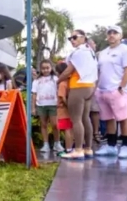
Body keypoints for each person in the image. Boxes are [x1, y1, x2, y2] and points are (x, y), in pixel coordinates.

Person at [94, 25, 127, 159]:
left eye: (115, 33)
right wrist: (97, 88)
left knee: (123, 118)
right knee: (108, 118)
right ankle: (111, 146)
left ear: (120, 36)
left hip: (118, 90)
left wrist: (121, 87)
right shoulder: (103, 52)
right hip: (103, 90)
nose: (112, 35)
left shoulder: (126, 50)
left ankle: (125, 146)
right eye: (109, 33)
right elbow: (100, 71)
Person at [57, 29, 97, 159]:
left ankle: (78, 150)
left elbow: (68, 71)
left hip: (78, 86)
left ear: (83, 37)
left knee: (76, 119)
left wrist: (57, 81)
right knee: (86, 118)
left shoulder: (78, 52)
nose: (72, 40)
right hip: (89, 86)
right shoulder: (90, 52)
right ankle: (88, 149)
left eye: (75, 37)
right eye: (70, 38)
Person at [32, 60, 63, 153]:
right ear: (40, 69)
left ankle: (57, 143)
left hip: (53, 104)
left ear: (51, 68)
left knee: (55, 125)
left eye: (47, 68)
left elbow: (59, 91)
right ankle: (45, 144)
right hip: (41, 104)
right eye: (43, 68)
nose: (45, 70)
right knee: (43, 124)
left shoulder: (55, 79)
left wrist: (59, 102)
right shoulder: (37, 80)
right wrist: (33, 107)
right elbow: (34, 94)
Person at [55, 61, 74, 155]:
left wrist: (68, 106)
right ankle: (72, 147)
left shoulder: (62, 83)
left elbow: (62, 97)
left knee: (67, 129)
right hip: (72, 110)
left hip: (64, 110)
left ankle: (68, 149)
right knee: (71, 129)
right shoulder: (70, 81)